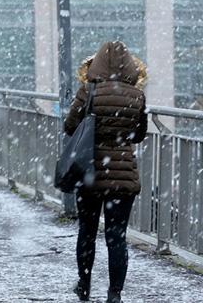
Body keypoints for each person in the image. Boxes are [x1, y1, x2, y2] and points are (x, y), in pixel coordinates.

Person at [64, 41, 148, 303]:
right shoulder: (137, 96)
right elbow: (139, 135)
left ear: (96, 63)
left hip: (89, 173)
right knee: (116, 237)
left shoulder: (88, 91)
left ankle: (85, 287)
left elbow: (70, 127)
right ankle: (115, 294)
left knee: (87, 233)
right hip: (122, 177)